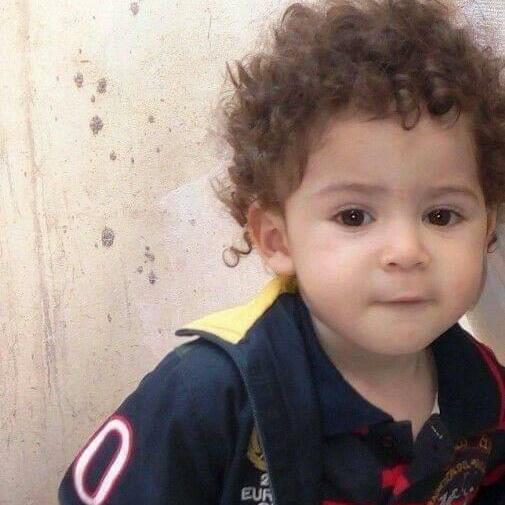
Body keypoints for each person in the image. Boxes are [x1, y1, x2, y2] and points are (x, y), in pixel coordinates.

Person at [58, 0, 505, 503]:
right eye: (354, 217)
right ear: (277, 240)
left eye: (441, 216)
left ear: (488, 226)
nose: (406, 251)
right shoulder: (208, 395)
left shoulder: (485, 390)